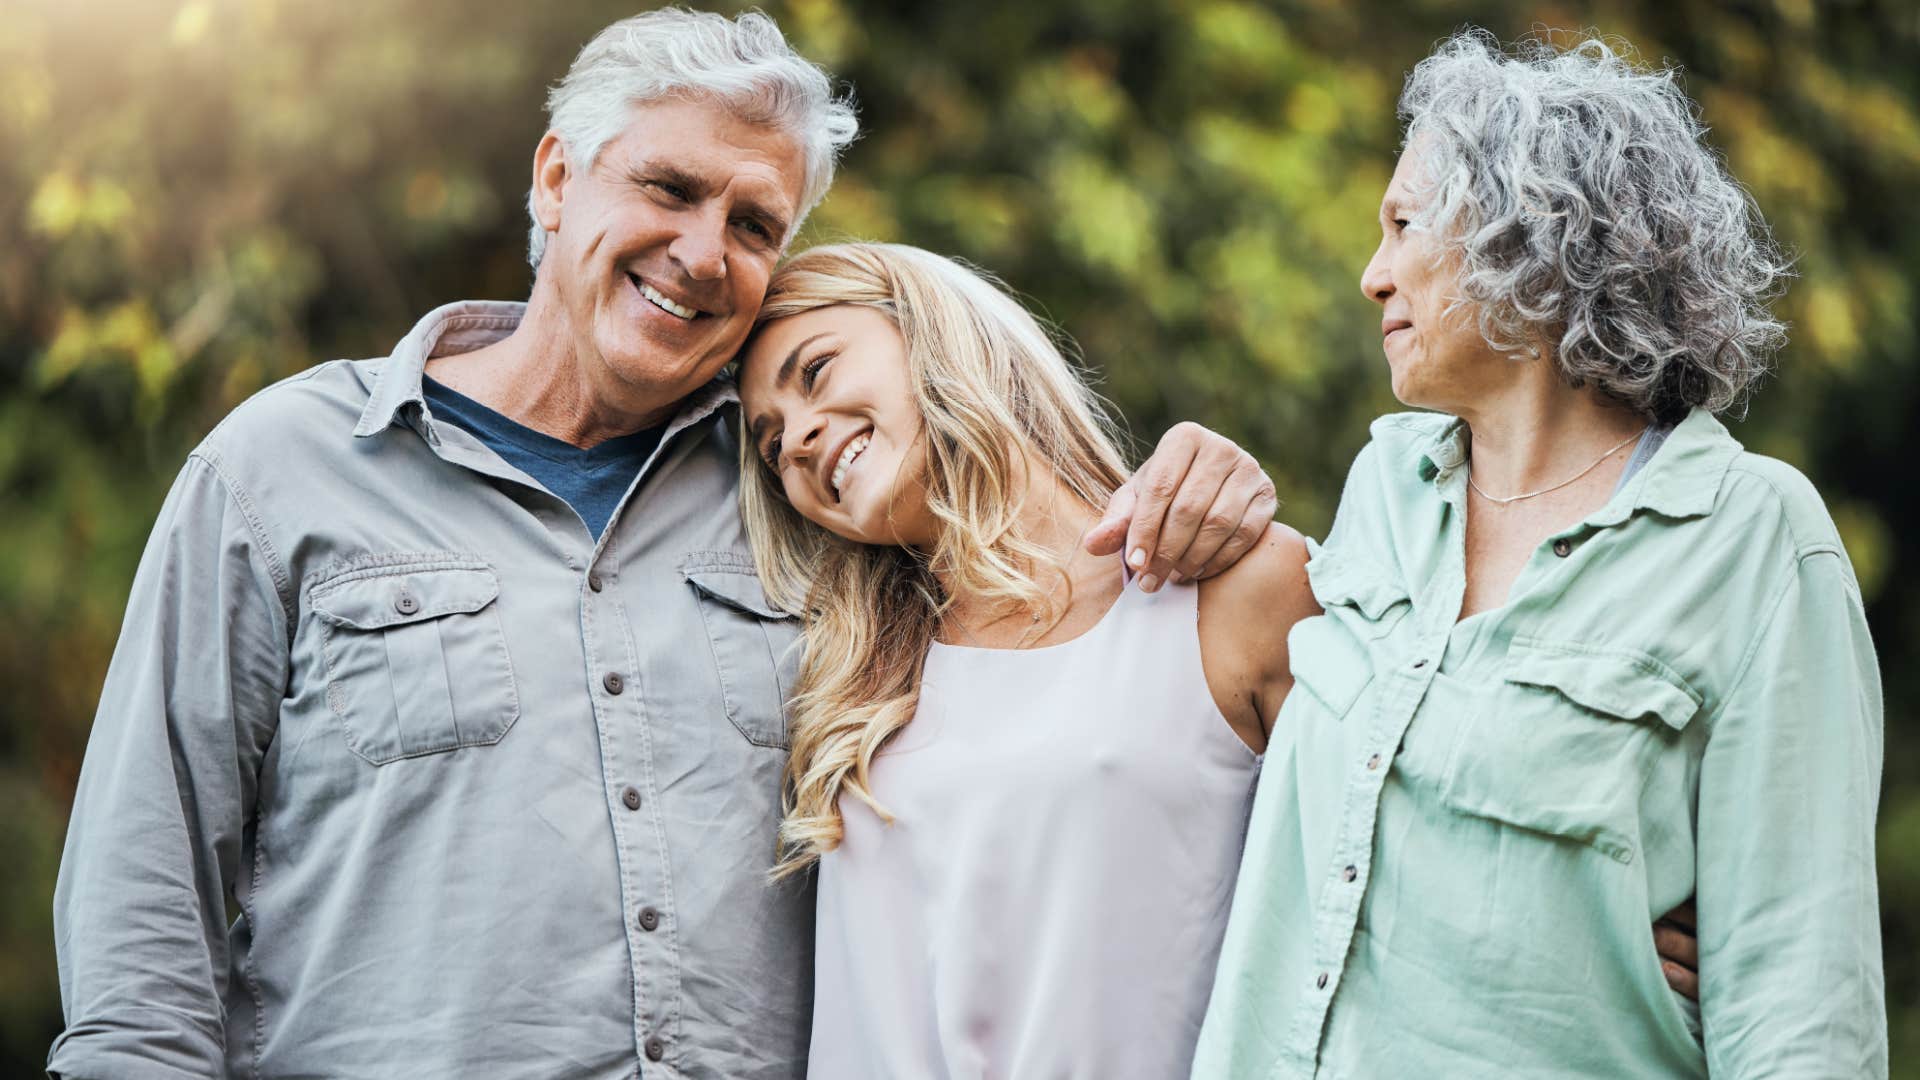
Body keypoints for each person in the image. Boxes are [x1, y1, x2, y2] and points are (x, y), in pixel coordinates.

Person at [47, 12, 1279, 1080]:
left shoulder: (803, 503)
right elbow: (143, 922)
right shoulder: (284, 470)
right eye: (671, 189)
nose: (706, 252)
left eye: (756, 222)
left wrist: (1196, 482)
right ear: (554, 176)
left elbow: (1037, 637)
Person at [1194, 30, 1886, 1078]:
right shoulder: (1385, 490)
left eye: (1403, 224)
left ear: (1533, 236)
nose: (1373, 275)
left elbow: (1803, 1011)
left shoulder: (1754, 540)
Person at [733, 241, 1321, 1078]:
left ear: (936, 331)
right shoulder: (842, 680)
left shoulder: (1234, 591)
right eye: (770, 443)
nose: (796, 440)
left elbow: (1362, 924)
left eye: (817, 372)